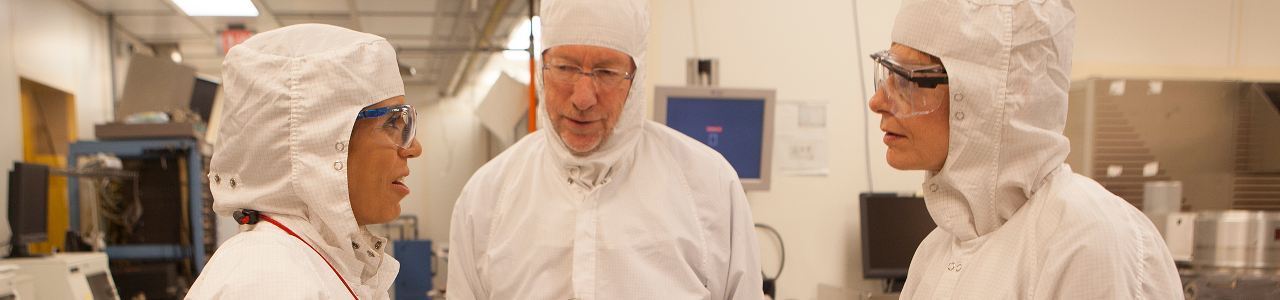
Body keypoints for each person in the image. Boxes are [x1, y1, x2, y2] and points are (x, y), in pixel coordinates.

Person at [446, 0, 763, 299]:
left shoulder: (710, 187)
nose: (583, 98)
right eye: (565, 68)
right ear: (542, 68)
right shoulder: (485, 198)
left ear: (635, 79)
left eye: (607, 72)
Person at [867, 0, 1184, 299]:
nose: (877, 102)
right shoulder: (934, 253)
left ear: (990, 96)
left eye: (905, 81)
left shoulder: (1090, 241)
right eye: (886, 77)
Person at [185, 24, 422, 300]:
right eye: (392, 122)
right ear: (322, 140)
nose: (414, 148)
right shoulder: (271, 283)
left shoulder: (316, 263)